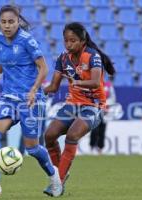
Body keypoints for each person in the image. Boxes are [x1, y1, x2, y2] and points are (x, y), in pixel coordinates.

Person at [0, 5, 62, 197]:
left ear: (18, 21)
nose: (7, 26)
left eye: (11, 22)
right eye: (3, 22)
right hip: (9, 98)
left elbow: (44, 68)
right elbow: (3, 60)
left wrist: (34, 90)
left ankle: (54, 177)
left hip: (30, 100)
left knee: (32, 149)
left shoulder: (27, 41)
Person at [43, 22, 116, 196]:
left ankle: (57, 181)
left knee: (72, 135)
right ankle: (62, 173)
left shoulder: (92, 56)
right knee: (49, 135)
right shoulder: (63, 58)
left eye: (72, 41)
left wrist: (77, 82)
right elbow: (53, 86)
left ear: (82, 41)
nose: (68, 44)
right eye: (66, 41)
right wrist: (36, 91)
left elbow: (95, 82)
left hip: (93, 106)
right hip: (71, 105)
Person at [89, 77, 116, 155]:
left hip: (105, 111)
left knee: (102, 129)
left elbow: (113, 97)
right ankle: (92, 146)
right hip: (95, 110)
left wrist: (105, 104)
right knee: (94, 129)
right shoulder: (93, 84)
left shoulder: (108, 85)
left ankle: (100, 148)